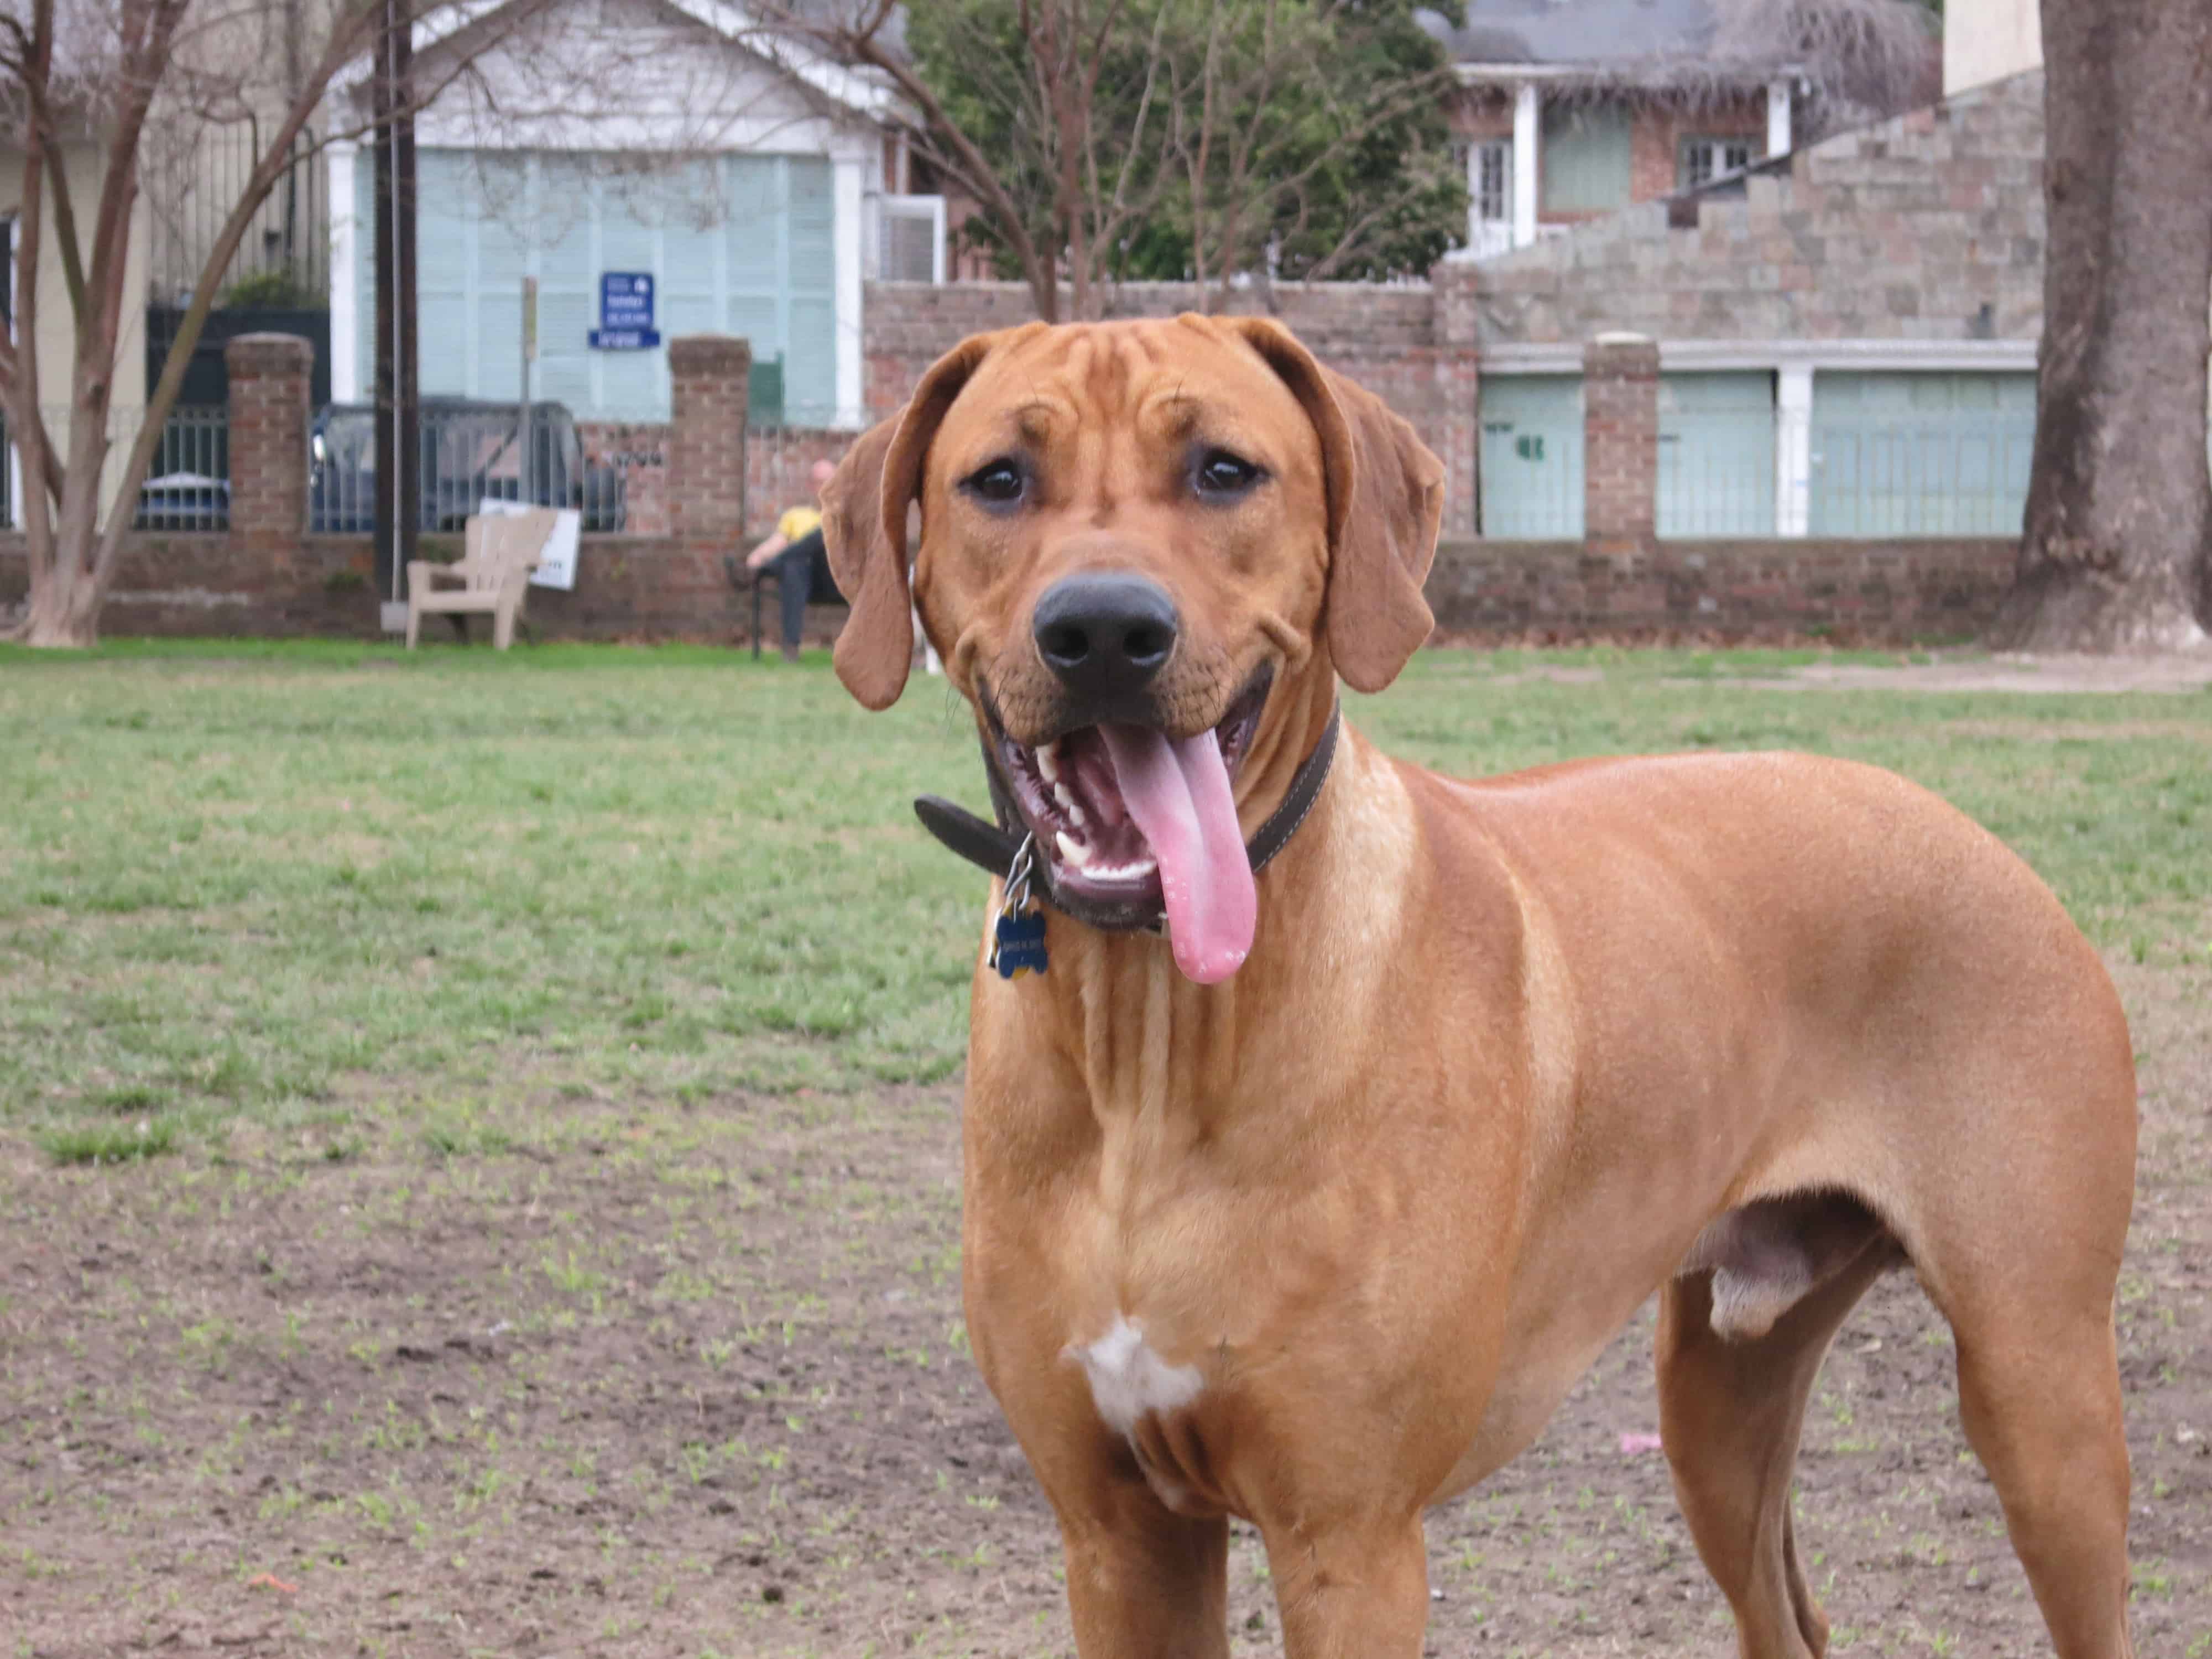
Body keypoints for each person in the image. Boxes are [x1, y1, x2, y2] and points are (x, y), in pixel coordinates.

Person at [744, 458, 837, 663]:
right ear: (811, 486)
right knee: (796, 564)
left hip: (834, 579)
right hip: (801, 581)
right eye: (820, 482)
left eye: (830, 481)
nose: (825, 487)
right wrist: (756, 557)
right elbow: (777, 542)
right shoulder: (796, 515)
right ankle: (791, 648)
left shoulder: (846, 515)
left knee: (823, 532)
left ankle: (771, 567)